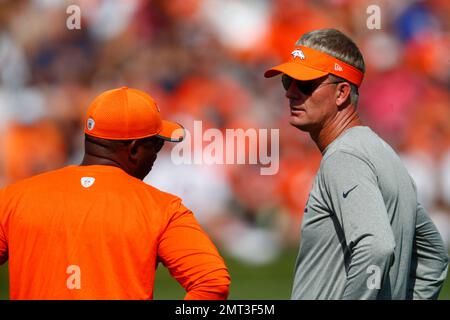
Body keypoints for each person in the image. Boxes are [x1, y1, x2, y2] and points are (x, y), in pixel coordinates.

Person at [264, 28, 449, 299]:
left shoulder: (344, 157)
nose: (291, 93)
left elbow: (376, 246)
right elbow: (433, 257)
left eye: (304, 84)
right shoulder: (384, 153)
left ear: (341, 93)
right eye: (287, 81)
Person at [0, 86, 230, 300]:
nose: (156, 155)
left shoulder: (14, 198)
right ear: (134, 149)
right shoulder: (162, 208)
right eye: (156, 145)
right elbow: (213, 282)